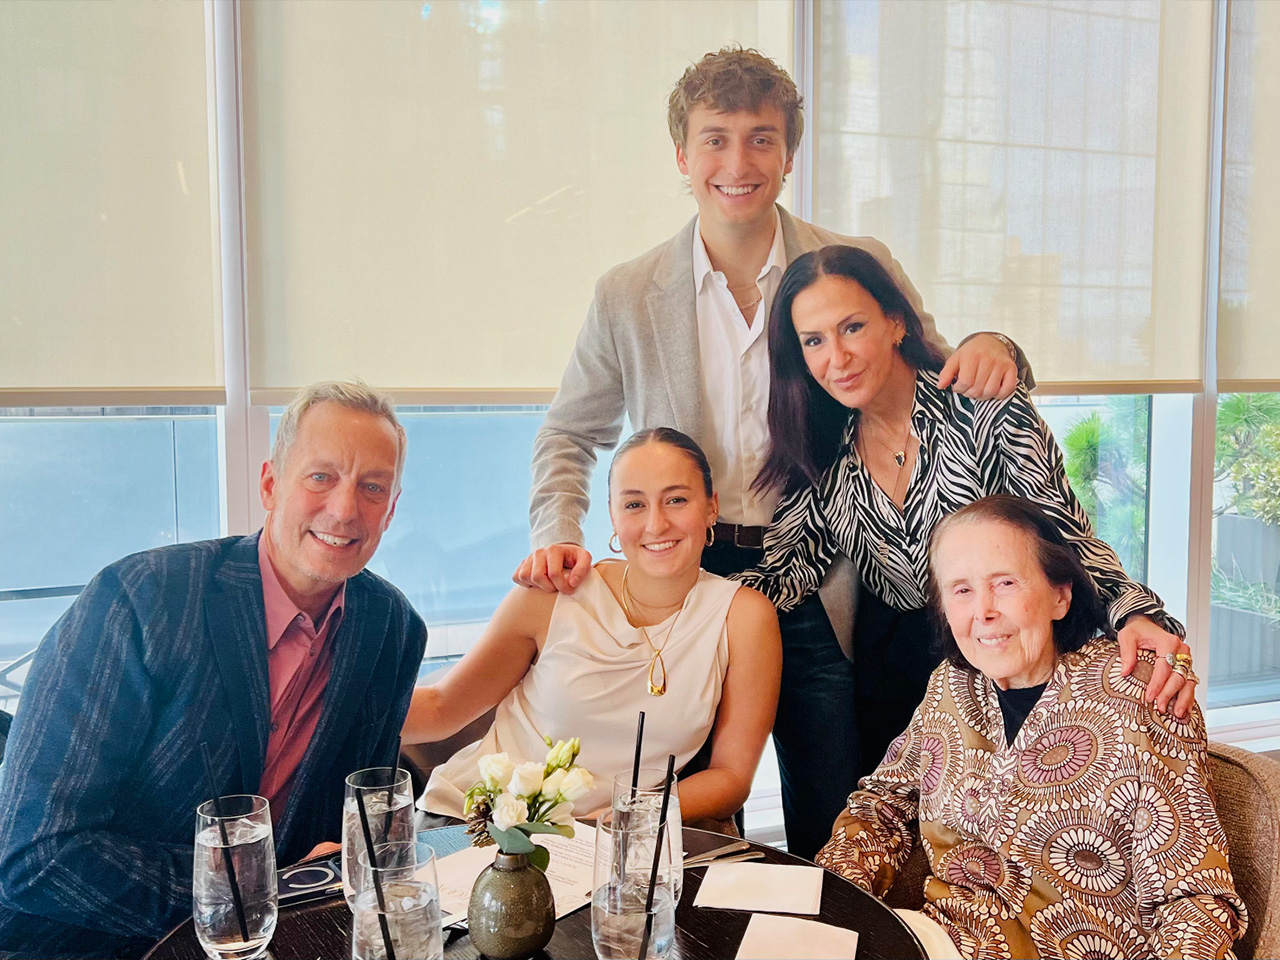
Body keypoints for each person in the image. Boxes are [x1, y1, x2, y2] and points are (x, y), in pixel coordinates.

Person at [516, 45, 1026, 858]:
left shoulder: (850, 263)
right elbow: (569, 434)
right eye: (715, 139)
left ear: (789, 155)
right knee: (678, 807)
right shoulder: (625, 293)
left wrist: (997, 342)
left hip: (817, 581)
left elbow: (923, 368)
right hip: (678, 585)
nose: (738, 161)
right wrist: (558, 533)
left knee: (835, 805)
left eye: (761, 138)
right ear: (682, 156)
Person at [736, 245, 1194, 859]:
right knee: (907, 853)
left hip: (1011, 650)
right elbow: (786, 570)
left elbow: (1062, 533)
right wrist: (668, 602)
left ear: (897, 321)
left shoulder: (982, 405)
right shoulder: (822, 447)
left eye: (852, 327)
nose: (836, 358)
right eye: (813, 341)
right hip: (896, 668)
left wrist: (1137, 613)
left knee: (1024, 851)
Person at [0, 381, 428, 960]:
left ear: (393, 509)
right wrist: (247, 891)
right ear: (271, 485)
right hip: (88, 939)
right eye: (321, 476)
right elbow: (35, 852)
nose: (346, 509)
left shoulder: (393, 630)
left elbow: (359, 819)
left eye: (373, 487)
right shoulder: (141, 600)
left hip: (282, 939)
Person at [816, 495, 1245, 960]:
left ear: (1060, 596)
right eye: (960, 590)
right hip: (936, 942)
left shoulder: (1139, 692)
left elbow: (1195, 899)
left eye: (1004, 583)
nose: (983, 611)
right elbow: (883, 803)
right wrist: (829, 903)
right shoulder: (951, 684)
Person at [406, 428, 781, 825]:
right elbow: (442, 708)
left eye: (676, 500)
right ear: (613, 517)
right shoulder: (553, 595)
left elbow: (731, 777)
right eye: (635, 505)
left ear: (711, 508)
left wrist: (626, 816)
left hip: (617, 839)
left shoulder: (744, 618)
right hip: (480, 822)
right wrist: (333, 712)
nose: (656, 525)